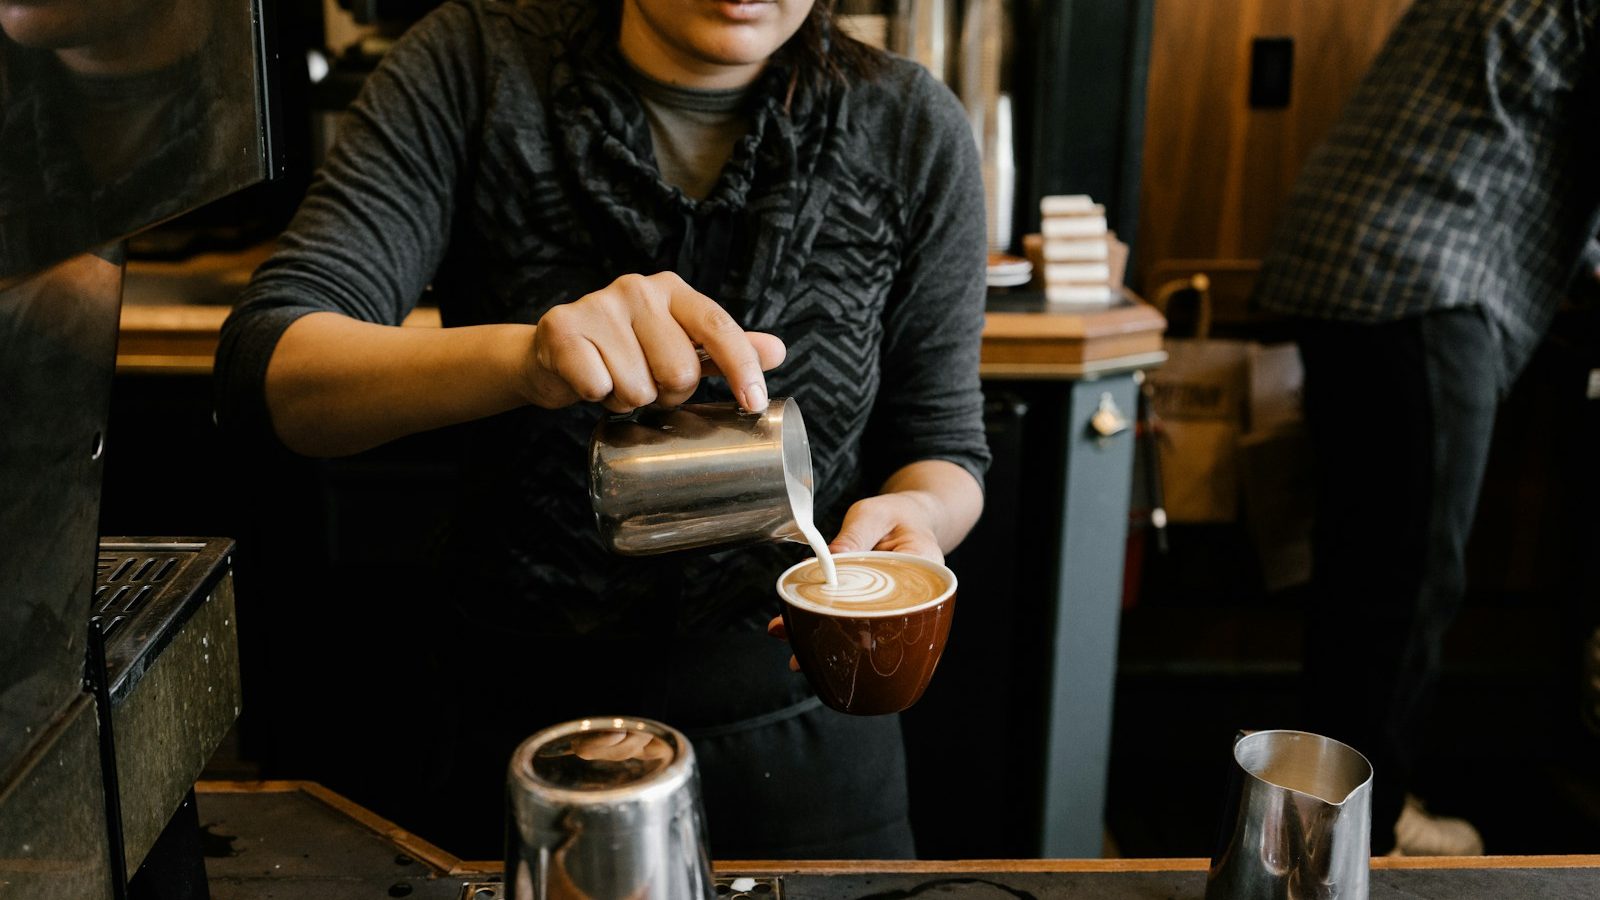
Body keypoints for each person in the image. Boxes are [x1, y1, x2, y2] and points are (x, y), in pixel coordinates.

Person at [214, 0, 989, 860]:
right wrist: (526, 361)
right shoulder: (475, 67)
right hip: (515, 733)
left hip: (805, 744)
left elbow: (944, 444)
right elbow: (271, 373)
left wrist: (920, 517)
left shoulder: (909, 122)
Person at [1252, 0, 1600, 856]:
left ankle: (1321, 821)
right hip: (1425, 275)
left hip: (1343, 257)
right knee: (1405, 591)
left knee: (1358, 578)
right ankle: (1372, 833)